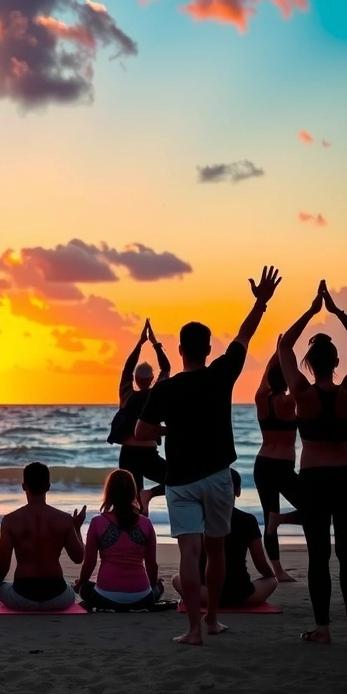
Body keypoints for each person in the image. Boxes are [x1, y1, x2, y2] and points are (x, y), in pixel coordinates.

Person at [137, 265, 281, 645]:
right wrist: (261, 302)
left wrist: (169, 429)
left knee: (190, 551)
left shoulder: (165, 390)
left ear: (181, 350)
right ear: (209, 350)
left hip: (179, 480)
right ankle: (214, 620)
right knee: (216, 550)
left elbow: (141, 433)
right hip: (217, 475)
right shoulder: (221, 373)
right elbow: (245, 335)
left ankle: (194, 629)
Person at [279, 280, 347, 646]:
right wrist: (336, 311)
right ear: (336, 363)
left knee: (319, 555)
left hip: (315, 479)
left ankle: (323, 630)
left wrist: (312, 310)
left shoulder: (302, 393)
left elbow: (285, 344)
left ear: (308, 364)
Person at [172, 469, 278, 609]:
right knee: (272, 581)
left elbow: (190, 558)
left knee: (176, 578)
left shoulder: (198, 518)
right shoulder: (248, 520)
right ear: (238, 491)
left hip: (206, 595)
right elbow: (260, 563)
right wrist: (271, 574)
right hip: (241, 595)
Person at [0, 462, 85, 611]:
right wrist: (77, 528)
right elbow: (78, 557)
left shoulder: (10, 520)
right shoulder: (64, 519)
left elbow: (3, 565)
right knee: (69, 586)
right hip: (58, 597)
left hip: (22, 597)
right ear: (48, 486)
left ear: (24, 486)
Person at [75, 470, 164, 612]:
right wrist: (154, 585)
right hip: (142, 598)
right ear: (133, 493)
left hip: (105, 596)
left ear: (109, 493)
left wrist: (80, 584)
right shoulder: (146, 523)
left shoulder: (97, 522)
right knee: (160, 587)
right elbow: (152, 564)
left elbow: (89, 564)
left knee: (85, 589)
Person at [108, 318, 171, 514]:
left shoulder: (126, 394)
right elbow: (166, 368)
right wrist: (154, 343)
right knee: (179, 478)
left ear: (135, 379)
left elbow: (127, 368)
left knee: (129, 504)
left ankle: (132, 535)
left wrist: (139, 343)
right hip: (148, 455)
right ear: (152, 379)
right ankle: (150, 494)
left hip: (127, 453)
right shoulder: (157, 393)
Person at [253, 339, 301, 581]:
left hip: (262, 465)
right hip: (282, 467)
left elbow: (265, 377)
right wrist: (287, 356)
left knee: (267, 515)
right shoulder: (288, 402)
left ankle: (278, 570)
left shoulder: (261, 400)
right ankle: (281, 519)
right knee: (314, 506)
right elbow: (300, 387)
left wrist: (276, 351)